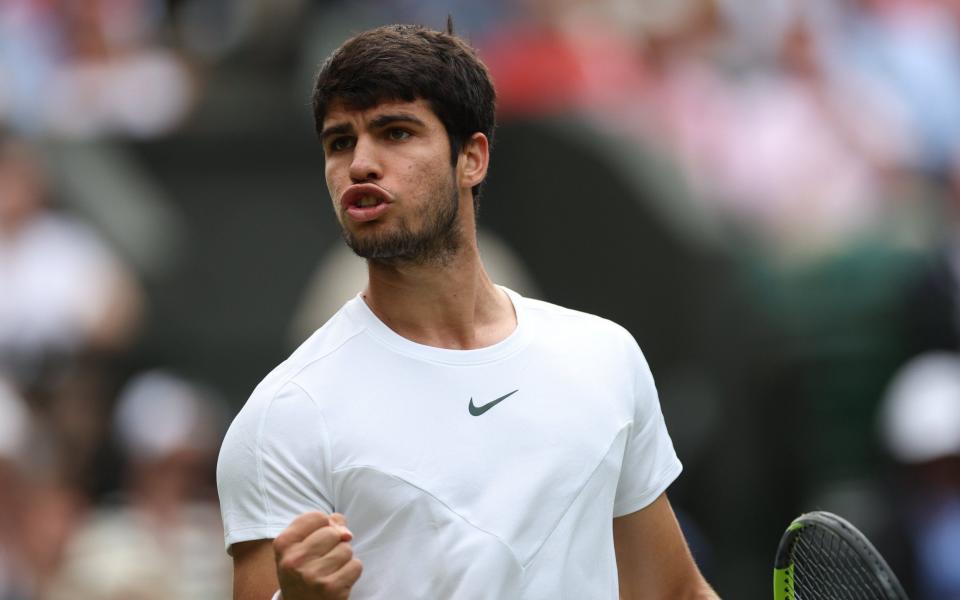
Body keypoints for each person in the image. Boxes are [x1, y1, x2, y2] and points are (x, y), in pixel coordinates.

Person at [216, 22, 718, 600]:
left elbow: (672, 592)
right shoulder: (284, 418)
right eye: (339, 142)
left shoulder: (605, 356)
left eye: (395, 132)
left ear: (471, 158)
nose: (360, 164)